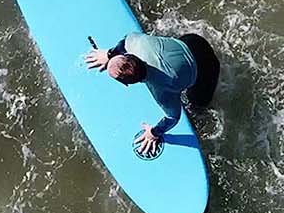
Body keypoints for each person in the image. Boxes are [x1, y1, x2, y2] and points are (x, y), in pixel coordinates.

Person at [83, 32, 221, 156]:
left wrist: (154, 133)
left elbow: (173, 117)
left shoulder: (160, 91)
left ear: (127, 84)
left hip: (207, 70)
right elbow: (124, 41)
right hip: (194, 41)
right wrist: (109, 54)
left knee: (198, 106)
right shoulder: (139, 44)